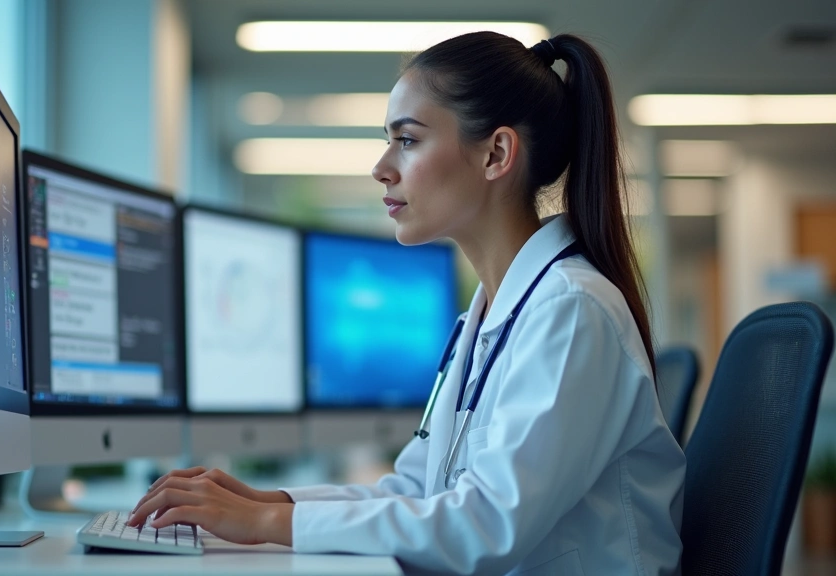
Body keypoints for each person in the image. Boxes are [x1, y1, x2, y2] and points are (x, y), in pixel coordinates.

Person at [128, 31, 685, 575]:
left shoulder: (571, 311)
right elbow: (414, 491)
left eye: (409, 140)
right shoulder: (489, 315)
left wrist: (266, 524)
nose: (381, 167)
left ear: (496, 153)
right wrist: (271, 501)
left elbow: (486, 527)